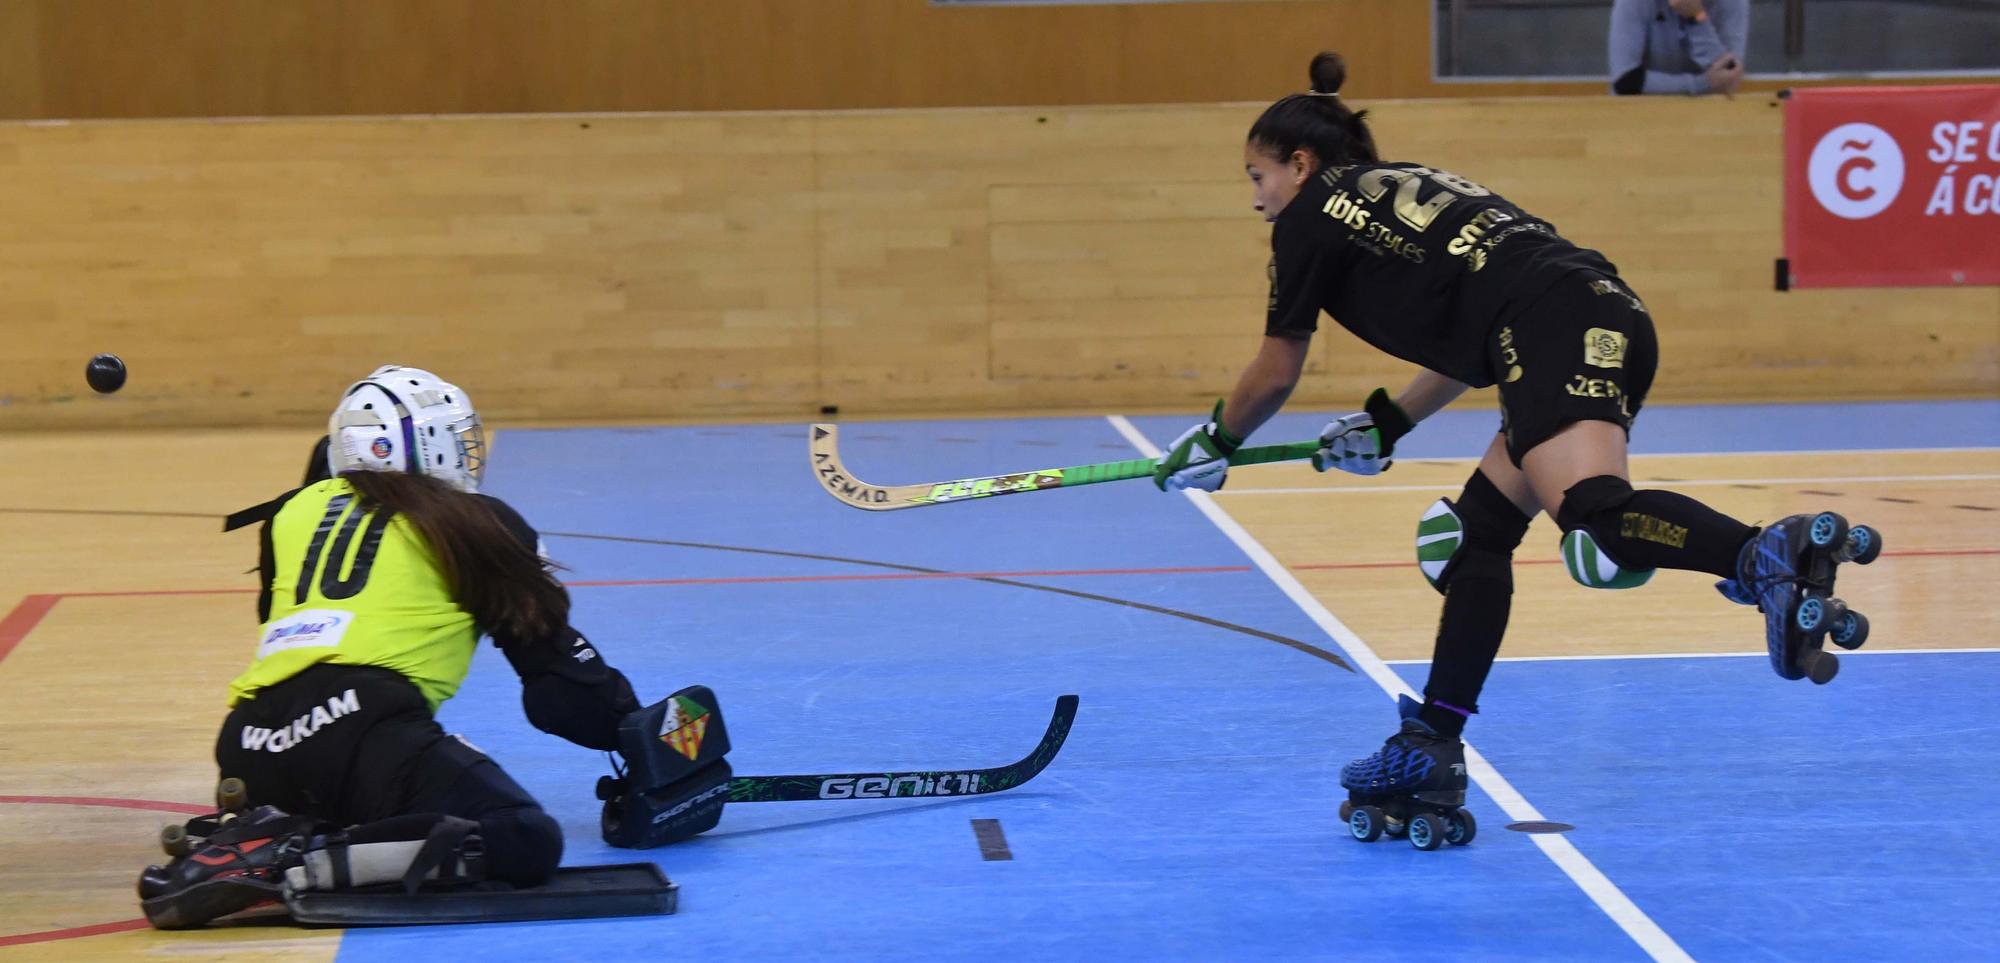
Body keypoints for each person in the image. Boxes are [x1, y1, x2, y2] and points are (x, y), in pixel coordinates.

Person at [1151, 52, 1880, 847]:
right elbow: (1469, 340)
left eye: (1257, 175)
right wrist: (1390, 424)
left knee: (1594, 515)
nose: (1256, 199)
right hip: (1604, 311)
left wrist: (1218, 438)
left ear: (1301, 162)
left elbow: (1278, 365)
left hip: (1545, 324)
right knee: (1478, 537)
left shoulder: (1309, 213)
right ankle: (1431, 744)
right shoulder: (1401, 189)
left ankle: (1759, 555)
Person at [138, 365, 645, 927]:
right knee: (523, 837)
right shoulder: (475, 522)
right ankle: (298, 859)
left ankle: (276, 834)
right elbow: (562, 692)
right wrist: (638, 735)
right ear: (427, 442)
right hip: (364, 727)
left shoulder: (289, 512)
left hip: (247, 745)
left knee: (364, 795)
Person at [1609, 0, 1747, 96]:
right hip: (1639, 116)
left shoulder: (1733, 3)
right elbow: (1625, 81)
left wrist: (1696, 18)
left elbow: (1728, 76)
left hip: (1706, 118)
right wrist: (1702, 84)